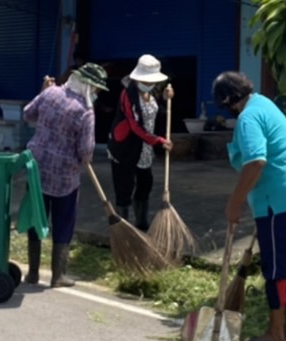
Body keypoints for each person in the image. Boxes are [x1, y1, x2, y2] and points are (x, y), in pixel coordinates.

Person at [214, 71, 286, 341]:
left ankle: (275, 333)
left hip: (277, 201)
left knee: (276, 271)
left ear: (227, 101)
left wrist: (234, 202)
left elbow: (256, 161)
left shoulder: (248, 118)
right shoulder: (265, 105)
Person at [23, 61, 106, 288]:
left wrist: (42, 93)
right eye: (97, 89)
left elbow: (27, 114)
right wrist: (82, 157)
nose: (97, 94)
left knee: (36, 219)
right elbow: (86, 152)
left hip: (36, 169)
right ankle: (58, 276)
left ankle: (32, 273)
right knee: (63, 222)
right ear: (89, 87)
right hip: (65, 178)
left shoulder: (50, 93)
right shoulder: (85, 112)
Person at [106, 54, 173, 231]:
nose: (150, 85)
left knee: (145, 184)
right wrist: (158, 141)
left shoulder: (151, 93)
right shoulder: (127, 95)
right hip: (125, 148)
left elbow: (155, 113)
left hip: (144, 149)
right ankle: (124, 229)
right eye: (148, 81)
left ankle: (142, 224)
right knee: (124, 188)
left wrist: (166, 97)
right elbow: (135, 126)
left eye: (153, 82)